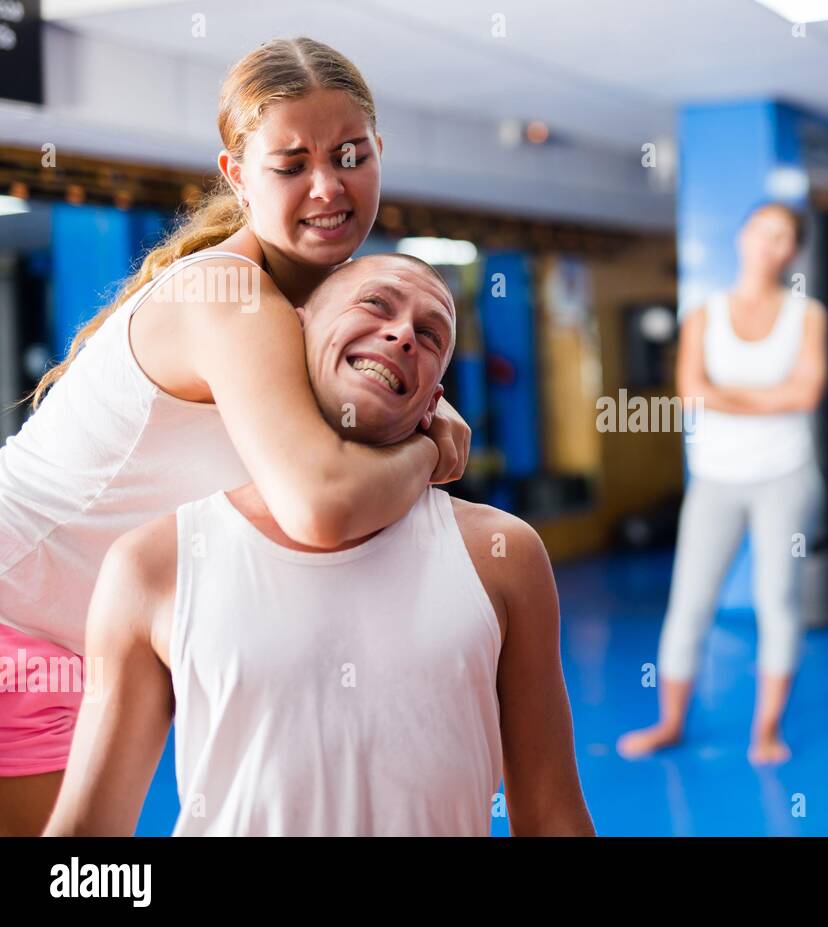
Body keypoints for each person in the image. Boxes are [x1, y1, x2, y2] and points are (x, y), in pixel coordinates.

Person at [0, 38, 472, 835]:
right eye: (291, 163)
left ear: (379, 154)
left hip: (73, 647)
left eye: (350, 154)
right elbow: (319, 503)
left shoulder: (319, 310)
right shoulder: (232, 297)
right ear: (236, 175)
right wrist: (430, 451)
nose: (328, 185)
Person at [43, 254, 594, 836]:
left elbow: (552, 813)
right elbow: (86, 839)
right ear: (291, 333)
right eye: (375, 305)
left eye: (430, 335)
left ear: (435, 400)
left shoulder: (502, 555)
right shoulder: (155, 564)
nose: (403, 333)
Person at [617, 202, 827, 766]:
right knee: (689, 602)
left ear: (792, 250)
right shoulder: (705, 313)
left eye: (782, 236)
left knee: (776, 600)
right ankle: (669, 722)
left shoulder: (808, 315)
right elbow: (690, 394)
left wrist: (726, 397)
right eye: (761, 231)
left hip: (786, 475)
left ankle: (766, 731)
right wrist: (767, 398)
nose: (769, 244)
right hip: (716, 479)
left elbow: (805, 396)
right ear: (743, 238)